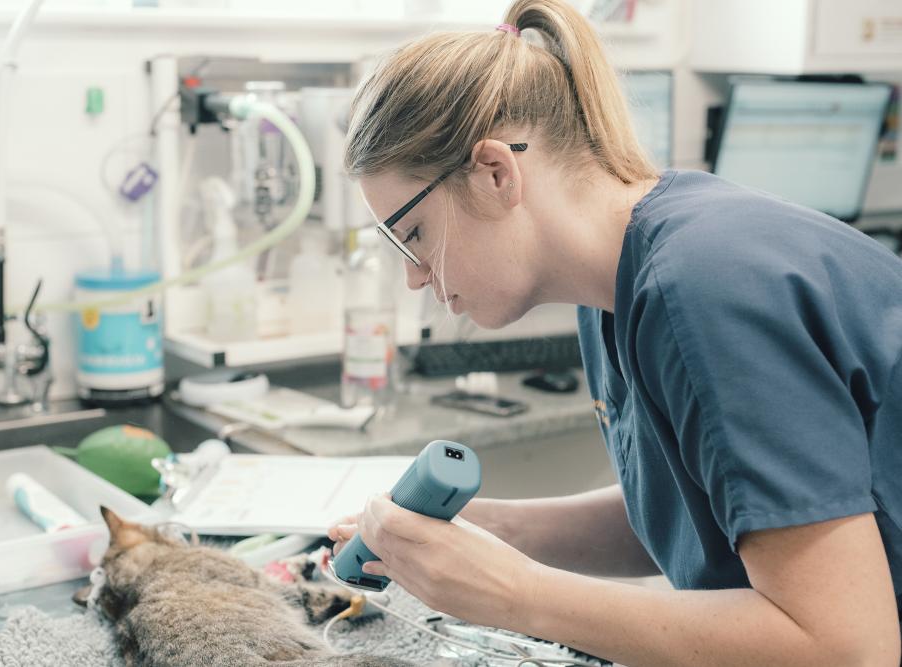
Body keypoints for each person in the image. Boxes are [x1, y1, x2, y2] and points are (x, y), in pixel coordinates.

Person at [326, 0, 902, 665]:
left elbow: (848, 648)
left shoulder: (703, 287)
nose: (415, 277)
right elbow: (715, 509)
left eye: (414, 236)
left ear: (495, 174)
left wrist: (516, 592)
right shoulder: (612, 286)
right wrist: (490, 531)